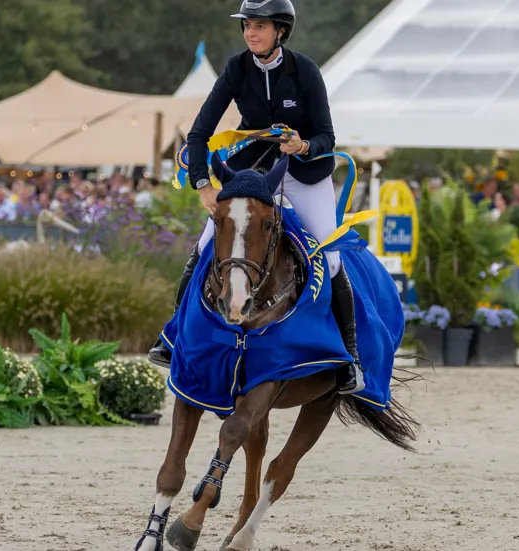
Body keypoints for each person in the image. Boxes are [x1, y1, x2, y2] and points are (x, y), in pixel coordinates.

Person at [146, 0, 365, 394]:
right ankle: (174, 337)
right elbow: (198, 135)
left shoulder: (305, 70)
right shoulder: (237, 67)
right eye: (247, 25)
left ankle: (349, 358)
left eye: (260, 26)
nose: (251, 33)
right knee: (204, 244)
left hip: (303, 173)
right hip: (256, 173)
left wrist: (303, 145)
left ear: (280, 31)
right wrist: (202, 184)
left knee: (330, 261)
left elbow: (327, 137)